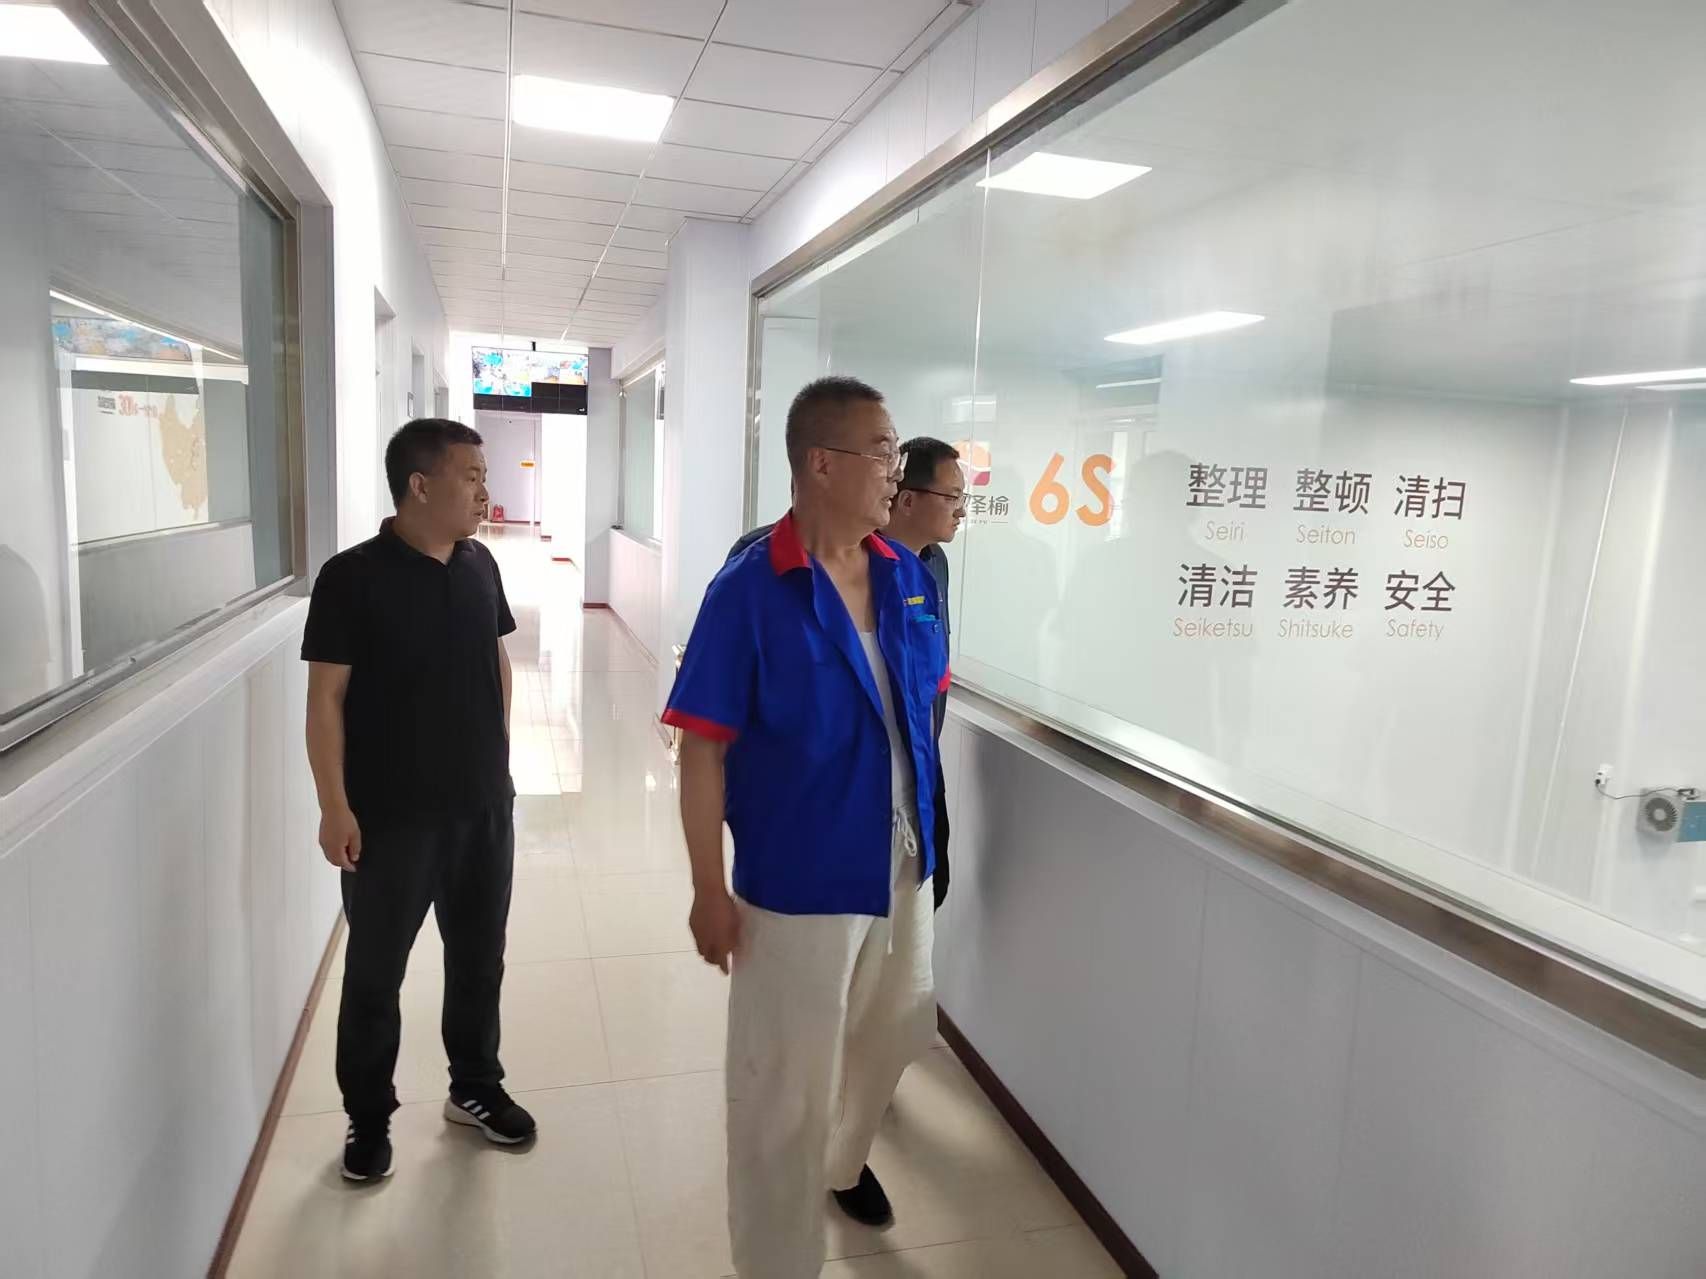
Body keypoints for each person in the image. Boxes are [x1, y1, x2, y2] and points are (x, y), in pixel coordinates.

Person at [667, 377, 950, 1277]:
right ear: (821, 463)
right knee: (782, 1094)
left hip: (899, 865)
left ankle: (841, 1164)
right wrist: (708, 888)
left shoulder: (907, 577)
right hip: (799, 880)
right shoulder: (751, 589)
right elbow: (701, 749)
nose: (896, 471)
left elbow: (920, 715)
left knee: (898, 1026)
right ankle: (776, 1260)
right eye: (883, 451)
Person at [302, 418, 536, 1184]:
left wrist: (499, 758)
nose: (484, 491)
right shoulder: (351, 577)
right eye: (472, 476)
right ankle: (368, 1116)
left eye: (484, 476)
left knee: (479, 958)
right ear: (420, 485)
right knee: (375, 974)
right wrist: (334, 804)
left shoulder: (480, 563)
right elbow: (325, 700)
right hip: (390, 818)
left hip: (481, 809)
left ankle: (475, 1085)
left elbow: (497, 659)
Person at [728, 435, 964, 908]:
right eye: (953, 497)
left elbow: (930, 678)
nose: (961, 511)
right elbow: (725, 710)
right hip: (816, 799)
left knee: (915, 913)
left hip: (913, 779)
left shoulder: (929, 566)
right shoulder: (764, 557)